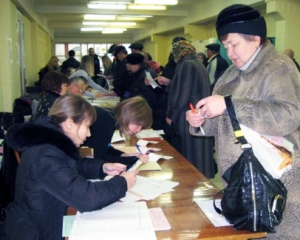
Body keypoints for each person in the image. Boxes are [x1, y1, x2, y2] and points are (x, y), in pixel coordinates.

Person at [186, 4, 300, 239]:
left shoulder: (277, 67)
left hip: (278, 184)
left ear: (256, 39)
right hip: (241, 183)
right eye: (225, 46)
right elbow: (218, 124)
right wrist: (200, 120)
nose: (230, 52)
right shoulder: (229, 75)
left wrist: (229, 105)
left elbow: (288, 117)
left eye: (234, 44)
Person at [1, 94, 138, 240]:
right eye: (87, 126)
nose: (89, 133)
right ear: (69, 124)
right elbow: (87, 198)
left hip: (44, 221)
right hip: (36, 232)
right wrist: (122, 183)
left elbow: (70, 166)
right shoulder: (46, 155)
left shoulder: (50, 144)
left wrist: (102, 167)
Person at [157, 40, 215, 178]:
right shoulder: (196, 63)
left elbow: (183, 94)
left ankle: (191, 180)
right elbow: (191, 88)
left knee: (190, 155)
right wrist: (170, 83)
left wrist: (171, 115)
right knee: (199, 154)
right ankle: (200, 179)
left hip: (188, 117)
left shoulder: (186, 64)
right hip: (199, 114)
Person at [84, 96, 152, 166]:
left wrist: (124, 155)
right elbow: (101, 158)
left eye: (141, 127)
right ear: (130, 116)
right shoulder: (105, 121)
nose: (138, 130)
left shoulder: (110, 116)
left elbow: (106, 147)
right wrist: (134, 160)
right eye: (137, 124)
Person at [126, 53, 165, 130]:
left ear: (135, 65)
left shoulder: (148, 75)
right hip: (148, 113)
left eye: (129, 66)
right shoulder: (141, 73)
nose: (128, 69)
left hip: (151, 115)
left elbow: (151, 96)